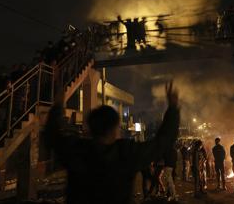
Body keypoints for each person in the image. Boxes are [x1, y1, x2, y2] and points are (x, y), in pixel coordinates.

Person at [45, 82, 180, 204]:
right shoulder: (126, 153)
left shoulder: (76, 149)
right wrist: (173, 108)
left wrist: (58, 106)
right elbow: (163, 141)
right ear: (114, 129)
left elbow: (52, 136)